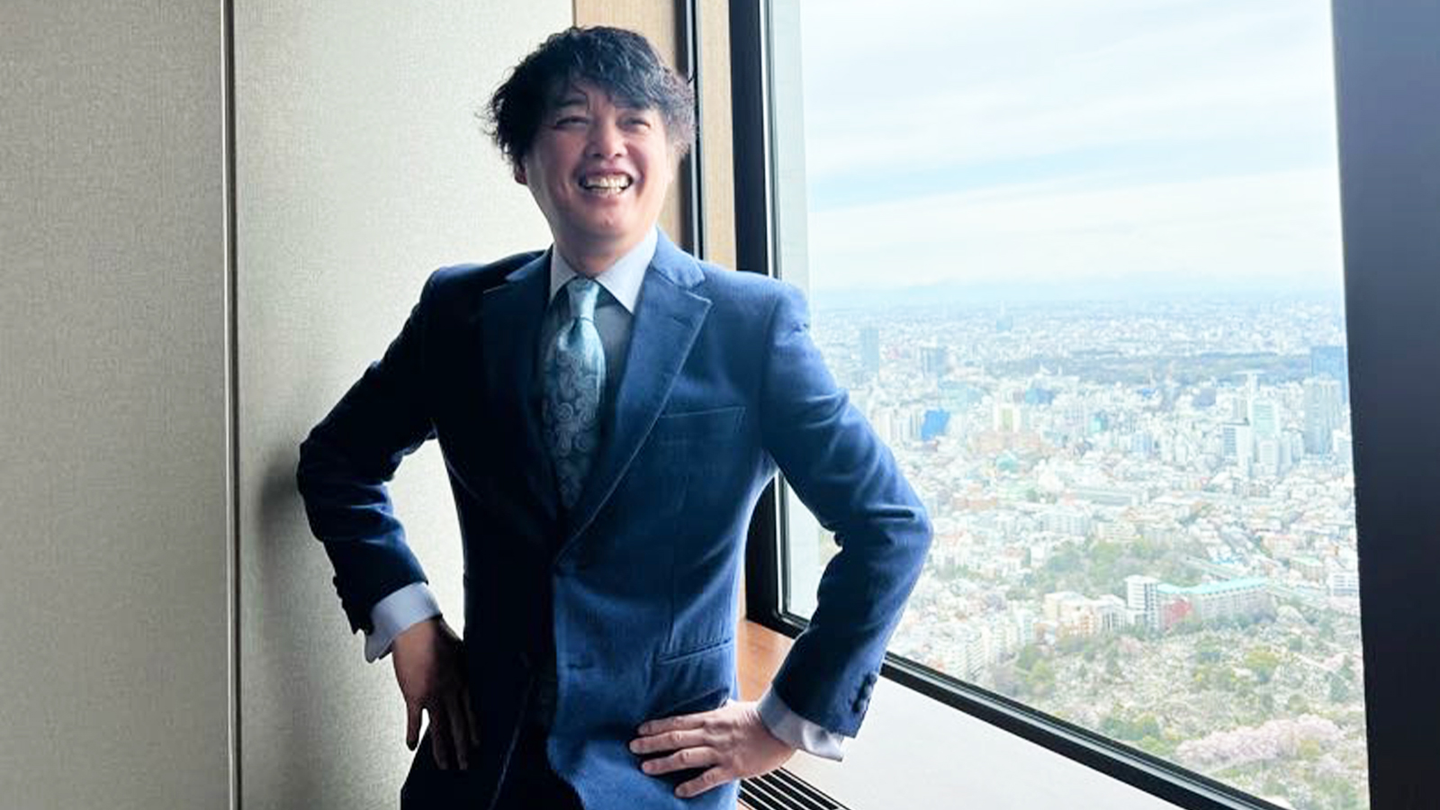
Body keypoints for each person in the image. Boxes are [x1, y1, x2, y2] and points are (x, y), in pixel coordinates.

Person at [296, 25, 931, 810]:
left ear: (672, 150)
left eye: (635, 120)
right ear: (522, 159)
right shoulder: (458, 312)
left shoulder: (752, 326)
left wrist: (787, 720)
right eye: (572, 119)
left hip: (662, 779)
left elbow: (891, 525)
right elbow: (337, 461)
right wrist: (407, 619)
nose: (607, 144)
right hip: (476, 768)